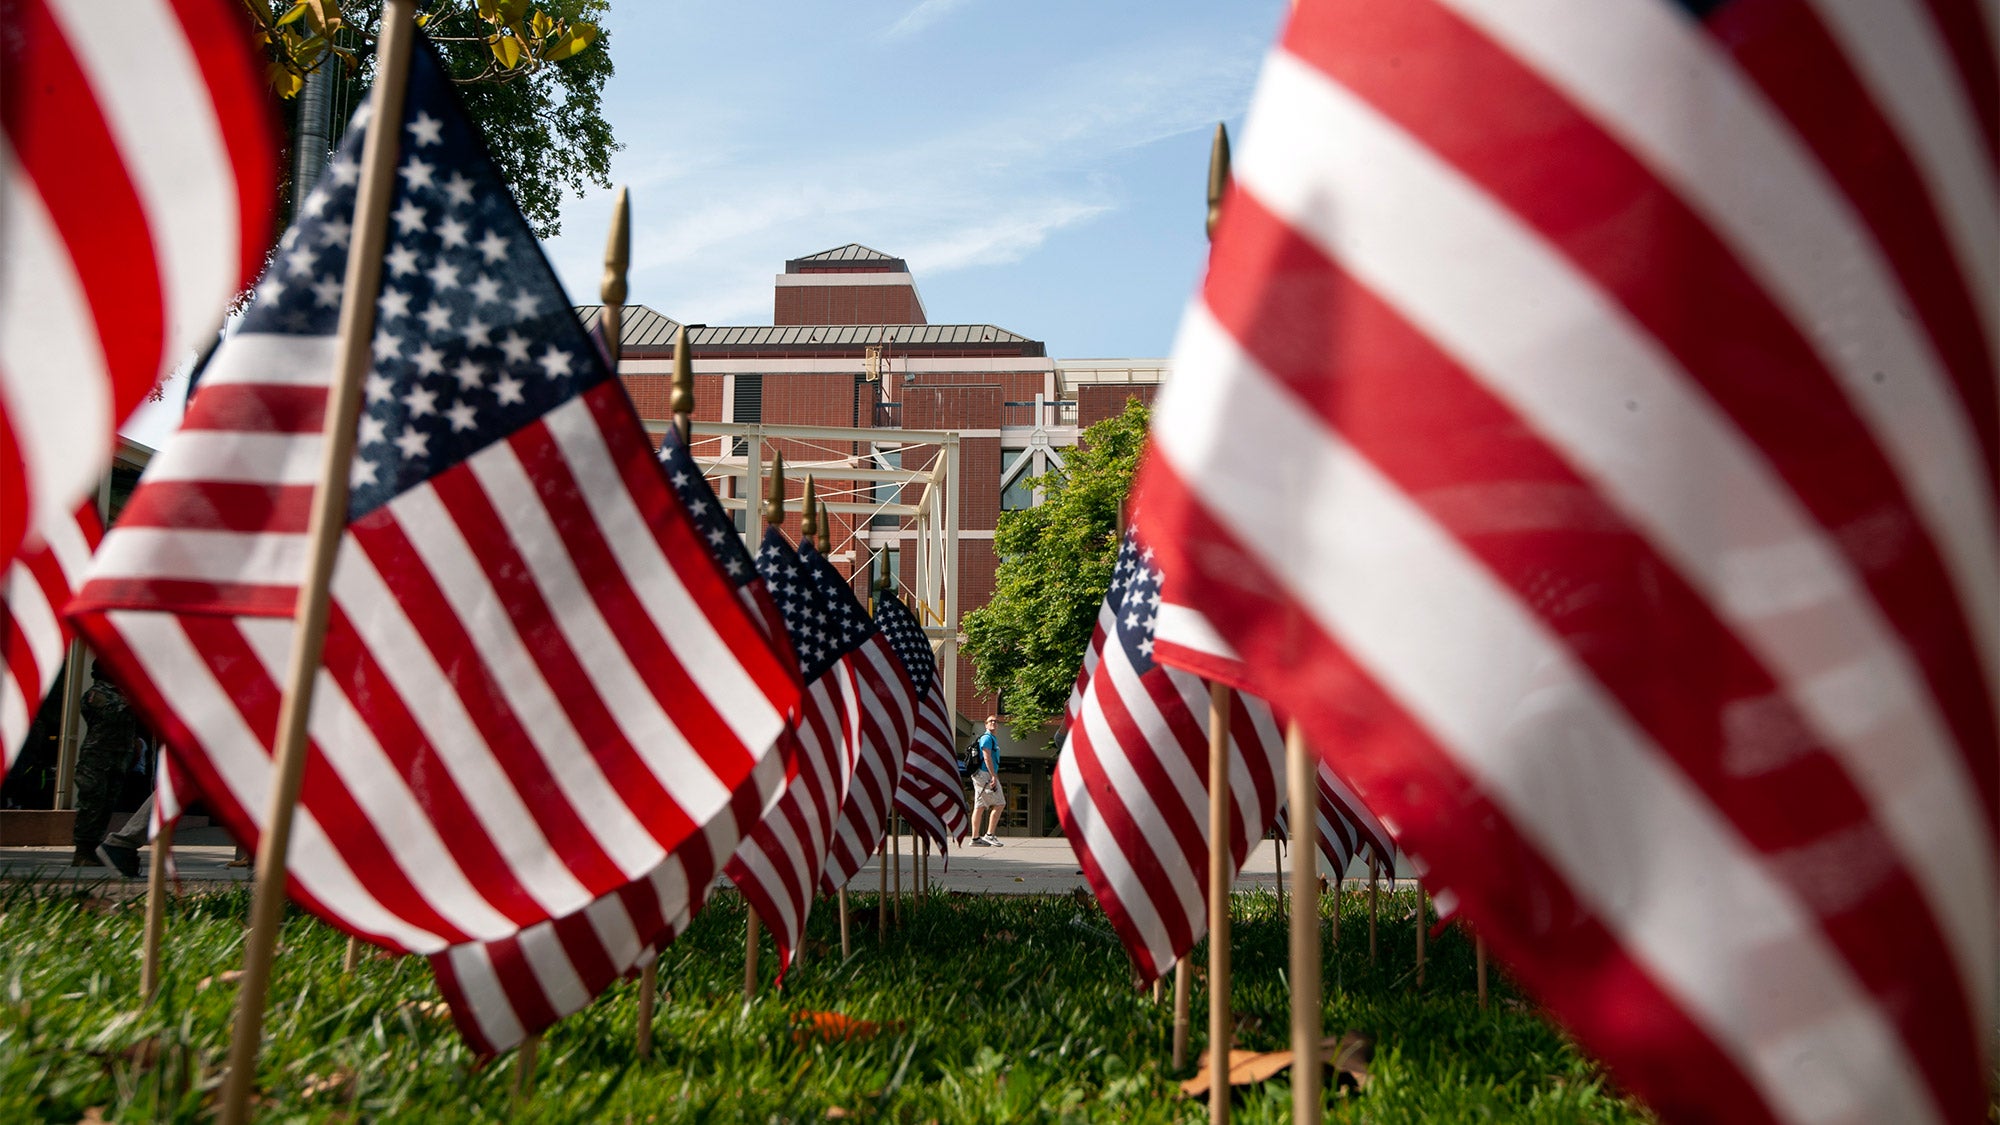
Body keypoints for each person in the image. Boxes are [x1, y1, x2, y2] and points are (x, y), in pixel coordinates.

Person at [70, 660, 138, 870]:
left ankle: (93, 848)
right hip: (97, 758)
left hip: (118, 757)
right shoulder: (96, 693)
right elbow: (113, 712)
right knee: (92, 803)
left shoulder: (121, 691)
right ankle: (82, 851)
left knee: (107, 804)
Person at [969, 715, 1006, 846]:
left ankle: (975, 838)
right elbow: (986, 757)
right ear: (985, 724)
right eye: (991, 721)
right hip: (985, 774)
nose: (994, 723)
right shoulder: (987, 738)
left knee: (979, 806)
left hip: (982, 775)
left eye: (996, 721)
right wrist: (993, 776)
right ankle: (989, 835)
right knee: (1000, 803)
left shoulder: (992, 739)